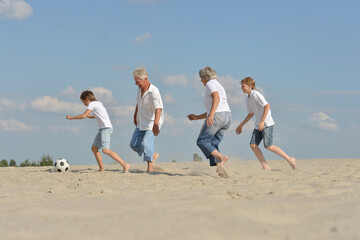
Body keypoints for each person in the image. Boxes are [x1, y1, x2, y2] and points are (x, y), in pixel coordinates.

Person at [235, 77, 296, 170]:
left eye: (243, 86)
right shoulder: (248, 98)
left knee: (268, 146)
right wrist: (241, 125)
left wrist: (262, 121)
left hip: (266, 123)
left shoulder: (256, 94)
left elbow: (267, 106)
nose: (241, 88)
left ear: (250, 86)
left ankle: (290, 159)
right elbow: (251, 114)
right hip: (258, 124)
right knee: (253, 145)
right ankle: (265, 166)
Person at [66, 90, 131, 172]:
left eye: (83, 102)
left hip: (106, 129)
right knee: (94, 148)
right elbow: (101, 114)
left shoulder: (92, 104)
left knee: (105, 150)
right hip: (103, 129)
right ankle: (102, 169)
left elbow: (83, 116)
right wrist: (91, 117)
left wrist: (71, 117)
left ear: (87, 99)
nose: (84, 104)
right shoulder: (98, 103)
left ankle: (125, 165)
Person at [187, 66, 231, 176]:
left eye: (201, 78)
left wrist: (211, 115)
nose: (201, 80)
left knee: (202, 141)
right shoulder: (218, 84)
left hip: (218, 116)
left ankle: (222, 158)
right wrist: (197, 117)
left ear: (205, 77)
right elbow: (215, 106)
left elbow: (216, 98)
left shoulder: (210, 83)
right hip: (227, 117)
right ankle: (221, 171)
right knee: (213, 144)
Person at [129, 68, 164, 173]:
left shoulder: (154, 91)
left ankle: (150, 167)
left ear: (145, 79)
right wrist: (135, 116)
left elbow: (159, 109)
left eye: (138, 81)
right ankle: (151, 155)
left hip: (152, 122)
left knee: (146, 143)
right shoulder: (139, 89)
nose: (136, 84)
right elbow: (138, 103)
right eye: (135, 81)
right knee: (133, 144)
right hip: (142, 121)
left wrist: (156, 124)